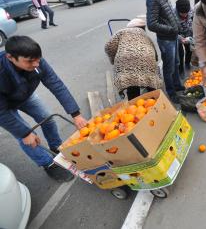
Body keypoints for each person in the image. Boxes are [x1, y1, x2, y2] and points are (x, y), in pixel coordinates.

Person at [0, 36, 88, 181]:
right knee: (27, 138)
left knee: (47, 119)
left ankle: (56, 147)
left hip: (24, 94)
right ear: (10, 57)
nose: (36, 64)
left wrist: (76, 114)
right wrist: (24, 133)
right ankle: (48, 164)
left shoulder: (36, 61)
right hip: (3, 107)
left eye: (38, 59)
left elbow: (56, 84)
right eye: (29, 61)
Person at [146, 0, 184, 103]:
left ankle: (178, 86)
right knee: (169, 68)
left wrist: (177, 27)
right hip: (165, 39)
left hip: (173, 37)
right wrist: (171, 29)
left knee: (176, 63)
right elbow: (151, 24)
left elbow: (168, 13)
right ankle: (171, 92)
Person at [105, 17, 163, 100]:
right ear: (143, 28)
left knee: (132, 86)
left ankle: (135, 105)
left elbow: (108, 47)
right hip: (146, 60)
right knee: (151, 86)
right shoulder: (145, 36)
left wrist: (113, 59)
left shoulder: (121, 32)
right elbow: (154, 53)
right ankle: (155, 104)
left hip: (126, 63)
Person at [175, 0, 194, 74]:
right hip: (178, 35)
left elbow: (195, 22)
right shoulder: (172, 15)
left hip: (188, 33)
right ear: (177, 10)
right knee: (180, 53)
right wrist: (180, 38)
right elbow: (171, 31)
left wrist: (191, 36)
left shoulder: (191, 10)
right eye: (182, 14)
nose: (185, 15)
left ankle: (187, 63)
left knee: (189, 50)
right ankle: (180, 69)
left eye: (186, 13)